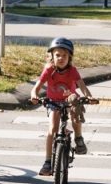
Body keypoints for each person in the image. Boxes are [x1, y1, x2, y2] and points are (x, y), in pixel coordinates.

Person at [29, 37, 93, 176]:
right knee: (52, 129)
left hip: (70, 101)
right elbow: (36, 87)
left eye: (64, 55)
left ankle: (78, 138)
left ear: (69, 57)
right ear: (51, 56)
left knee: (75, 115)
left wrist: (89, 96)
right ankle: (47, 162)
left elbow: (82, 86)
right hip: (53, 102)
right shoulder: (49, 70)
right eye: (57, 55)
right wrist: (34, 95)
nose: (61, 58)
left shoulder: (72, 71)